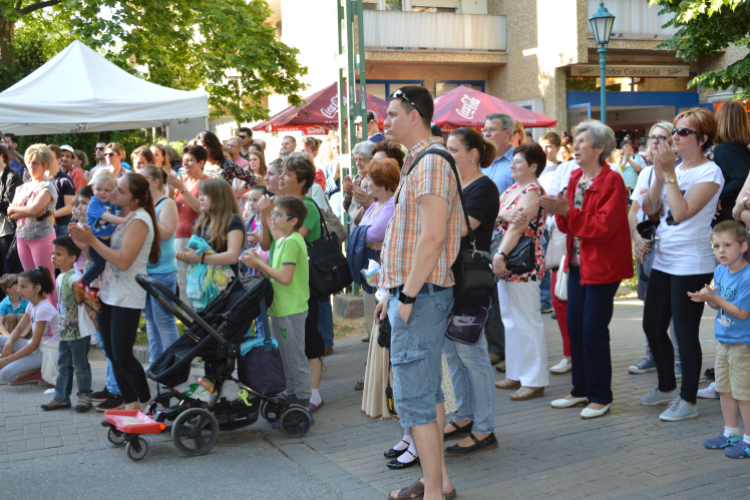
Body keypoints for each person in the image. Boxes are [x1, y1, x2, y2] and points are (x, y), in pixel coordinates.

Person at [375, 85, 461, 500]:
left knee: (416, 401)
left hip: (421, 294)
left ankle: (433, 494)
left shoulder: (429, 163)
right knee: (428, 392)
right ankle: (437, 482)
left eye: (392, 114)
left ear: (415, 115)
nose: (385, 121)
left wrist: (404, 297)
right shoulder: (420, 160)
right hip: (418, 292)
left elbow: (433, 238)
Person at [539, 120, 632, 419]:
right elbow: (569, 226)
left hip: (603, 266)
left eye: (581, 141)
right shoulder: (576, 176)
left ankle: (600, 395)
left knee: (593, 330)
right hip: (577, 263)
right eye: (574, 141)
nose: (574, 146)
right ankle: (579, 390)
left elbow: (603, 227)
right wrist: (560, 212)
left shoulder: (612, 180)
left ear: (600, 147)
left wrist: (567, 212)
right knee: (576, 328)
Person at [638, 108, 723, 421]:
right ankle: (666, 387)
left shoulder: (710, 173)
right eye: (674, 130)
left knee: (684, 332)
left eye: (683, 132)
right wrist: (659, 178)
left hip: (692, 262)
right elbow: (650, 208)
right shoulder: (670, 168)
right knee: (652, 325)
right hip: (664, 258)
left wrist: (669, 174)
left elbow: (684, 211)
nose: (674, 136)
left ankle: (688, 400)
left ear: (701, 139)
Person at [69, 173, 160, 412]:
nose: (113, 193)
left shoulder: (139, 220)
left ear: (135, 200)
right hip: (106, 293)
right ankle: (130, 403)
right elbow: (101, 258)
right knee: (111, 352)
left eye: (120, 190)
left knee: (122, 355)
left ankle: (145, 402)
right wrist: (85, 245)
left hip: (126, 296)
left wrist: (93, 241)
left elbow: (123, 261)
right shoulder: (119, 216)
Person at [441, 127, 499, 454]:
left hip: (471, 283)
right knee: (453, 352)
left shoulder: (483, 187)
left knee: (471, 353)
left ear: (473, 154)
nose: (449, 156)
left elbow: (460, 228)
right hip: (451, 280)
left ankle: (485, 427)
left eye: (454, 150)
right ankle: (464, 414)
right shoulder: (455, 185)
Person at [258, 156, 327, 412]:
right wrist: (268, 218)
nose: (281, 178)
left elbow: (289, 240)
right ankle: (294, 392)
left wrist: (269, 218)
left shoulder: (304, 208)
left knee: (304, 345)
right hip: (282, 298)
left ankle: (309, 395)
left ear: (301, 182)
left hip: (298, 293)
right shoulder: (281, 210)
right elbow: (270, 243)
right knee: (288, 352)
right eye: (282, 173)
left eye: (287, 174)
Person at [240, 195, 313, 416]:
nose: (274, 217)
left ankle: (302, 401)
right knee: (286, 357)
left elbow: (285, 277)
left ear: (293, 221)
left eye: (278, 214)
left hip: (291, 310)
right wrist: (265, 213)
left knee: (295, 358)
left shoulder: (292, 242)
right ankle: (292, 395)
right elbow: (273, 232)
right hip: (282, 309)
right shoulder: (284, 239)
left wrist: (259, 263)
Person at [492, 143, 549, 401]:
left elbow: (517, 228)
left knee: (527, 321)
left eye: (517, 162)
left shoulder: (533, 191)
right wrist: (503, 213)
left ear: (533, 166)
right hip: (508, 261)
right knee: (510, 320)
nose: (512, 165)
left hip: (522, 261)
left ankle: (534, 380)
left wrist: (500, 254)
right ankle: (516, 373)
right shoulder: (513, 189)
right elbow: (496, 215)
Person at [687, 221, 750, 457]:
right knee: (724, 390)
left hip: (743, 345)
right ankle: (730, 432)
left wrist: (716, 298)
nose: (720, 250)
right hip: (724, 342)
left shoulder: (747, 277)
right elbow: (716, 304)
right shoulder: (720, 270)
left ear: (743, 246)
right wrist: (707, 298)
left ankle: (749, 439)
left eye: (727, 245)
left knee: (744, 394)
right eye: (716, 246)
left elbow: (742, 313)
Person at [628, 122, 681, 376]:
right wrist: (635, 236)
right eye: (652, 137)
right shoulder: (645, 173)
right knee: (651, 306)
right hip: (648, 246)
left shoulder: (681, 170)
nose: (655, 142)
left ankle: (680, 359)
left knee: (675, 307)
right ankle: (653, 354)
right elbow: (635, 211)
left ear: (673, 142)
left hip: (673, 249)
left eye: (662, 137)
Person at [74, 185, 123, 412]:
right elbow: (90, 260)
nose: (80, 208)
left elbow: (96, 262)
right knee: (104, 343)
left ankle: (118, 391)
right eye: (80, 203)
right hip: (95, 290)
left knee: (110, 343)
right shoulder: (86, 229)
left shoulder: (99, 229)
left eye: (84, 203)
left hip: (105, 290)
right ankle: (112, 385)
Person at [41, 236, 92, 412]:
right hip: (65, 332)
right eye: (53, 253)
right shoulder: (61, 276)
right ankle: (61, 397)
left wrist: (94, 317)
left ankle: (85, 396)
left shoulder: (74, 277)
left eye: (59, 254)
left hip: (78, 332)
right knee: (63, 365)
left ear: (72, 258)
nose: (54, 257)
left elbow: (85, 297)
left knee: (80, 366)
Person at [74, 171, 133, 312]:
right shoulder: (94, 203)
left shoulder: (112, 202)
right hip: (96, 240)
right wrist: (124, 220)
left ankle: (93, 294)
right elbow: (105, 216)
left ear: (114, 190)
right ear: (93, 189)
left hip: (107, 242)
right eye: (99, 189)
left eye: (107, 190)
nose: (102, 193)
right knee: (98, 266)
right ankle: (81, 284)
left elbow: (124, 206)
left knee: (104, 268)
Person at [139, 164, 180, 364]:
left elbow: (166, 233)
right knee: (150, 321)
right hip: (144, 270)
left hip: (162, 271)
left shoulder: (167, 203)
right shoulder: (143, 203)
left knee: (164, 320)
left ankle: (173, 366)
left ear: (156, 181)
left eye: (144, 178)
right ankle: (157, 364)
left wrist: (146, 213)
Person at [8, 144, 58, 307]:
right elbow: (11, 212)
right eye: (29, 162)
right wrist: (28, 211)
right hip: (22, 236)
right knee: (30, 281)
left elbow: (34, 209)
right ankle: (36, 319)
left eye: (35, 162)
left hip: (42, 237)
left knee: (46, 280)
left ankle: (54, 321)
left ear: (44, 164)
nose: (31, 166)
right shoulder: (22, 187)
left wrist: (23, 210)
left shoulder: (48, 186)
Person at [0, 266, 58, 385]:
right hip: (37, 348)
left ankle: (39, 371)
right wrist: (9, 341)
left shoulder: (43, 309)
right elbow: (19, 328)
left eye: (23, 286)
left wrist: (6, 361)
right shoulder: (31, 304)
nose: (19, 290)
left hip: (47, 352)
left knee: (5, 375)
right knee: (2, 340)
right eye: (19, 286)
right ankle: (26, 365)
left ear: (37, 288)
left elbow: (33, 345)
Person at [166, 144, 209, 305]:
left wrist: (182, 188)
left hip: (198, 237)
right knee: (183, 283)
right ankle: (190, 321)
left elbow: (200, 207)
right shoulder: (181, 182)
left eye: (190, 160)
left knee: (199, 280)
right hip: (179, 237)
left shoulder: (206, 183)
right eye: (184, 160)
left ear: (201, 163)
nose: (185, 163)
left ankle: (203, 319)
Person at [713, 101, 750, 225]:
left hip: (729, 213)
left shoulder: (722, 149)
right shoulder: (743, 149)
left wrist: (716, 195)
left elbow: (742, 177)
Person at [0, 145, 23, 277]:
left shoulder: (12, 176)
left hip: (8, 231)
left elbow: (9, 206)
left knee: (11, 271)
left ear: (2, 155)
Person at [48, 146, 76, 237]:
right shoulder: (38, 179)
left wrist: (46, 216)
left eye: (50, 157)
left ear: (58, 160)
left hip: (60, 226)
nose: (46, 160)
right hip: (40, 226)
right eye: (44, 156)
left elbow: (69, 207)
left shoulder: (64, 180)